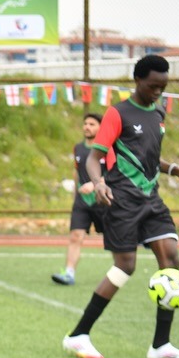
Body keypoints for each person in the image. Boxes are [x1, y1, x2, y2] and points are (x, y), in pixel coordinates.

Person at [62, 54, 179, 358]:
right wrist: (98, 183)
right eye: (153, 86)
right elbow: (94, 157)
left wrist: (177, 170)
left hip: (152, 200)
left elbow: (148, 158)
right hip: (122, 201)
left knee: (171, 261)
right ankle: (78, 335)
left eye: (163, 86)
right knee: (125, 267)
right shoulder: (118, 113)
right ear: (137, 80)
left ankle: (161, 344)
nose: (158, 91)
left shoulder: (159, 113)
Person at [52, 112, 106, 286]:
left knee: (116, 240)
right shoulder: (78, 148)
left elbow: (114, 174)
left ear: (100, 128)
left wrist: (95, 184)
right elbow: (77, 173)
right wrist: (76, 195)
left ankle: (121, 271)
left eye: (92, 124)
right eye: (85, 124)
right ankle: (69, 273)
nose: (87, 127)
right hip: (82, 202)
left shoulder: (107, 149)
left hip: (103, 200)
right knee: (76, 236)